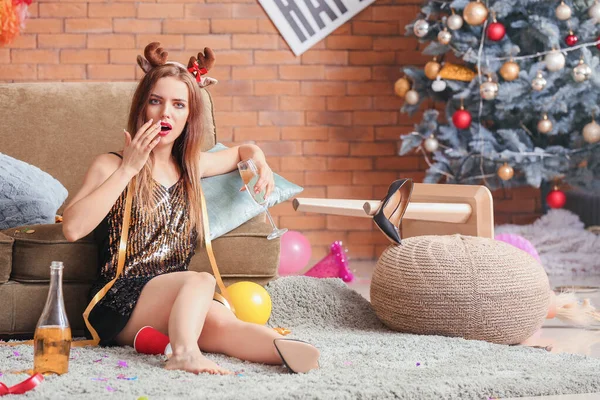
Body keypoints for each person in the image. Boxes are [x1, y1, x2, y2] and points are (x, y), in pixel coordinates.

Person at [61, 42, 320, 375]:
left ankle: (287, 351)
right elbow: (72, 228)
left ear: (188, 116)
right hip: (117, 301)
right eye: (156, 101)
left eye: (178, 104)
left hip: (178, 301)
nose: (165, 112)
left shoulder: (192, 166)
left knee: (223, 325)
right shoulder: (110, 165)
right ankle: (184, 353)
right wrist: (129, 168)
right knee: (200, 280)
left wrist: (260, 160)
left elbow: (242, 150)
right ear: (143, 109)